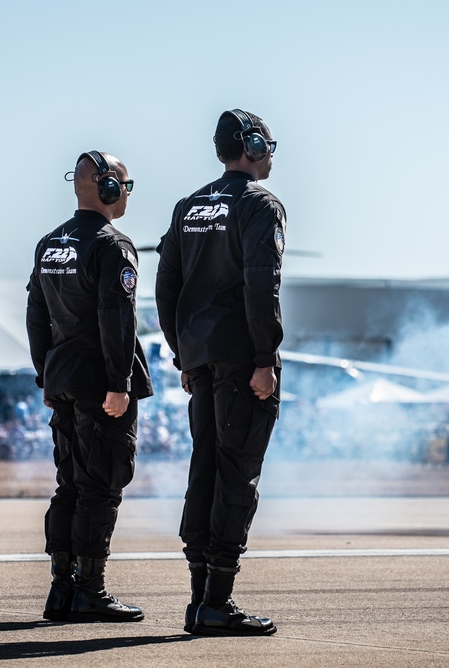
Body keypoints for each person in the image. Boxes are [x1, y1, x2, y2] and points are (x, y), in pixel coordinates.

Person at [155, 109, 286, 636]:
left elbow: (166, 287)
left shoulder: (188, 207)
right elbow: (262, 285)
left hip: (203, 361)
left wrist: (184, 353)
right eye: (269, 144)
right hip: (240, 360)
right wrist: (264, 358)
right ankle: (216, 604)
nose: (272, 154)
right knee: (236, 476)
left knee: (204, 471)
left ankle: (198, 600)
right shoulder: (261, 205)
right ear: (252, 146)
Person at [26, 150, 153, 623]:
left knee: (69, 485)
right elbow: (116, 318)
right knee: (101, 485)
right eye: (125, 183)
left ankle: (61, 590)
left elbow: (36, 315)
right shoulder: (111, 245)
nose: (126, 193)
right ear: (107, 187)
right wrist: (119, 383)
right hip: (100, 383)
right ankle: (90, 590)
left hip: (62, 378)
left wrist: (46, 372)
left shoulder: (49, 244)